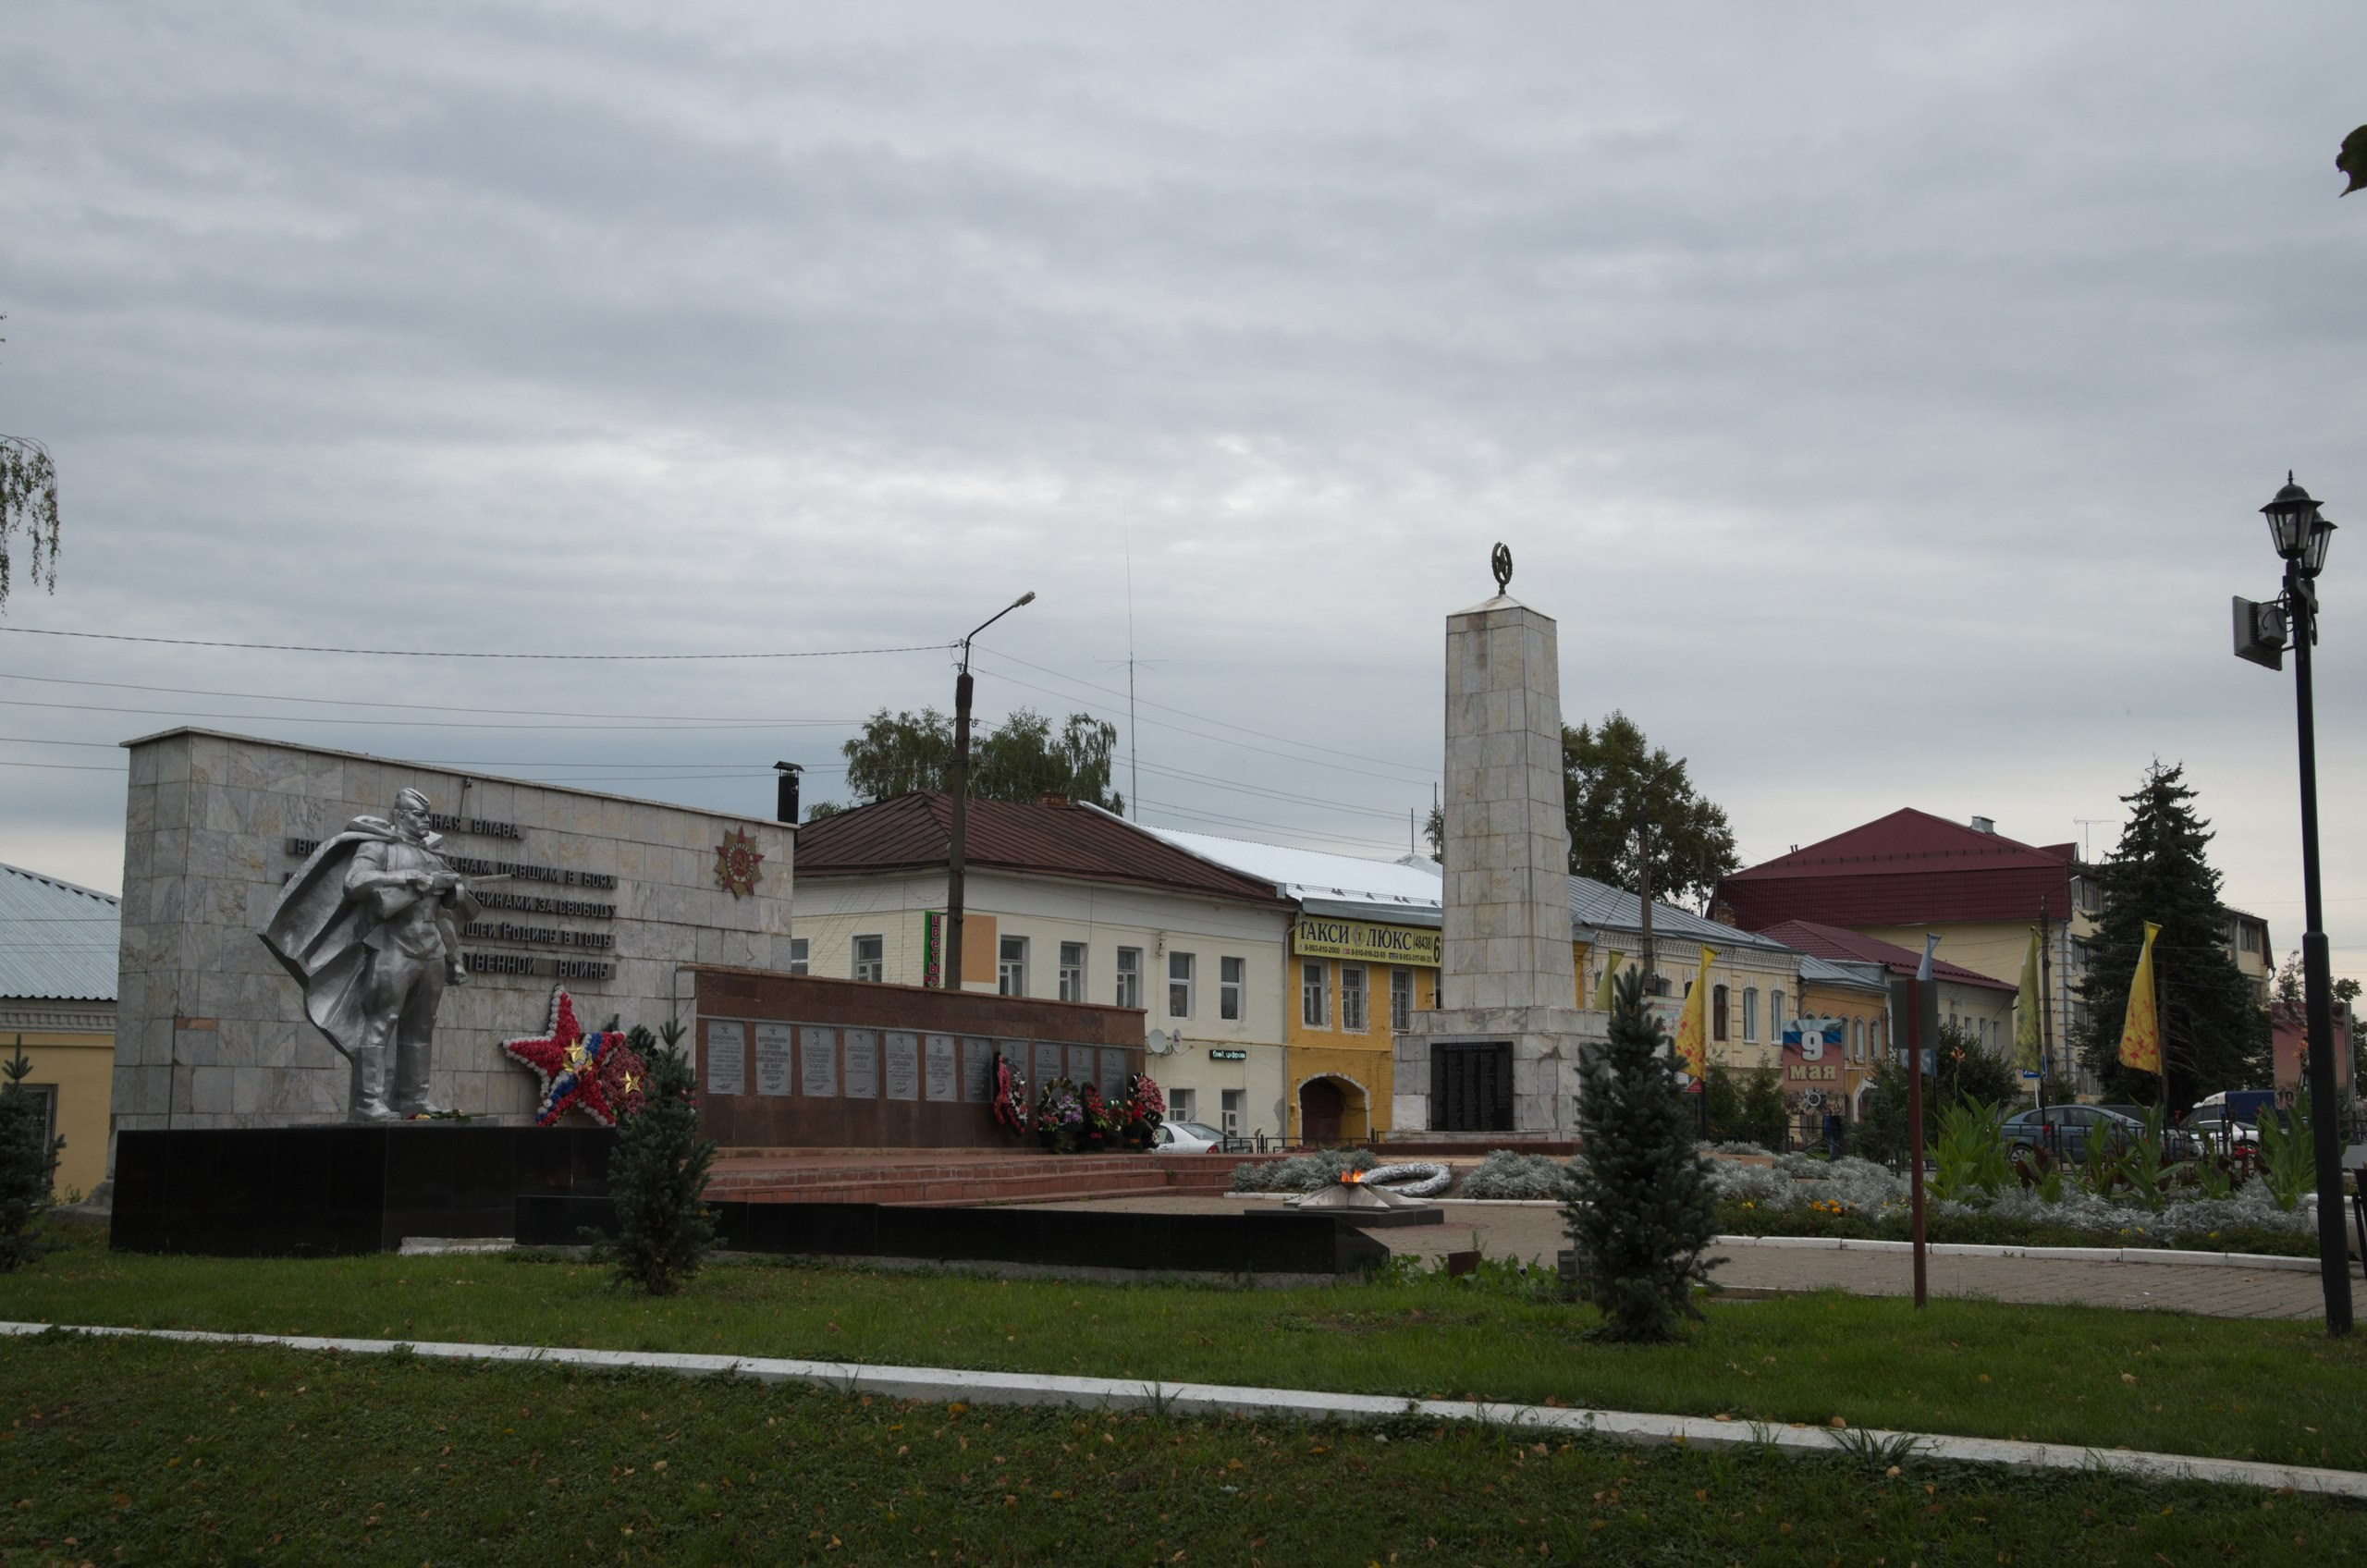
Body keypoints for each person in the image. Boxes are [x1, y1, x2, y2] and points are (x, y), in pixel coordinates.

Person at [262, 788, 483, 1121]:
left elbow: (443, 916)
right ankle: (368, 1102)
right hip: (394, 946)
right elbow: (354, 882)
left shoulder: (434, 857)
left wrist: (455, 957)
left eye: (427, 815)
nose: (426, 822)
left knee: (422, 1029)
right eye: (419, 815)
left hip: (431, 950)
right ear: (400, 815)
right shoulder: (378, 846)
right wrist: (405, 876)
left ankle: (414, 1100)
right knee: (380, 1024)